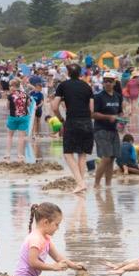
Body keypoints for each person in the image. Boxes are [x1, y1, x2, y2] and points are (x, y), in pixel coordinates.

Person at [13, 202, 84, 276]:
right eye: (56, 224)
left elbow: (57, 257)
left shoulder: (46, 238)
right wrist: (53, 267)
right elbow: (33, 262)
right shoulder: (35, 239)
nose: (58, 228)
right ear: (46, 222)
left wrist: (74, 266)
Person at [50, 63, 94, 193]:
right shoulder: (87, 86)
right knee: (82, 154)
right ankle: (81, 184)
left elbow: (54, 107)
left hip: (72, 121)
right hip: (86, 121)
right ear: (80, 73)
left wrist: (61, 119)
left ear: (68, 74)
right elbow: (91, 109)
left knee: (68, 154)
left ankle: (80, 183)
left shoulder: (63, 86)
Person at [92, 72, 123, 188]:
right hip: (100, 130)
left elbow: (120, 111)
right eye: (105, 81)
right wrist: (108, 117)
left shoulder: (118, 96)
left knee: (112, 158)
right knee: (105, 157)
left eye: (110, 81)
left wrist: (122, 118)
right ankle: (96, 184)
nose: (107, 83)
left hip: (113, 130)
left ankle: (108, 185)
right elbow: (93, 114)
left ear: (114, 83)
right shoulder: (98, 97)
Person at [4, 78, 31, 162]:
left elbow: (8, 107)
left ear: (13, 86)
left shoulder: (10, 96)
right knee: (21, 137)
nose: (9, 87)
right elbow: (28, 104)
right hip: (24, 117)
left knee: (9, 136)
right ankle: (20, 154)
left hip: (13, 117)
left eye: (10, 86)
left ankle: (8, 154)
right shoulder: (26, 94)